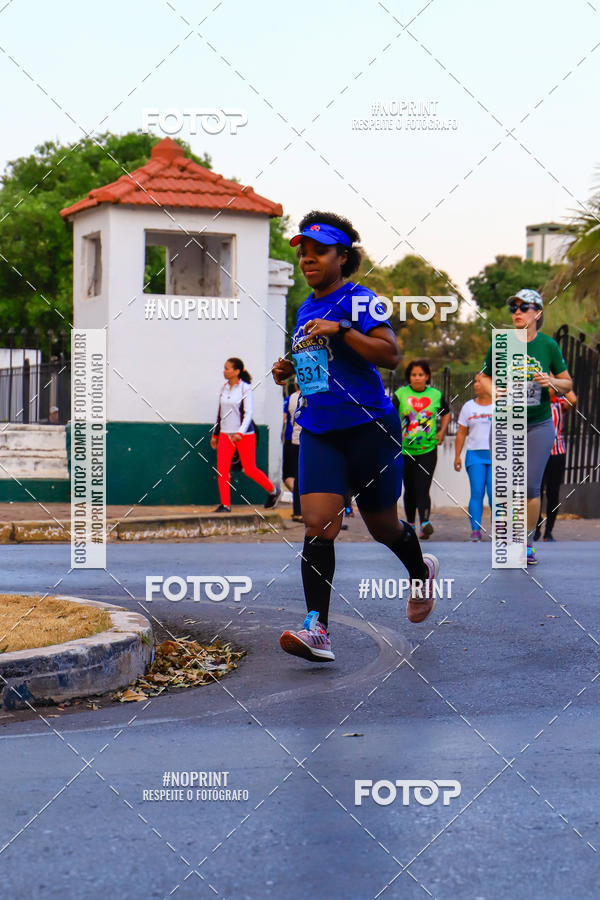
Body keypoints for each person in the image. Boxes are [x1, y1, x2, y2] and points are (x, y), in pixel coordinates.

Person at [271, 211, 439, 663]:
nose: (308, 259)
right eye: (303, 253)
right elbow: (319, 366)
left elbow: (390, 354)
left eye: (319, 252)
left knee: (383, 526)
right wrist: (290, 368)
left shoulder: (363, 301)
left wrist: (342, 329)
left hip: (370, 429)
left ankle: (420, 571)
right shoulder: (304, 308)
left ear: (342, 257)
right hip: (320, 429)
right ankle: (317, 629)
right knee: (318, 524)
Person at [479, 289, 573, 565]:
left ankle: (525, 543)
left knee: (530, 486)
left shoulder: (548, 345)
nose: (517, 312)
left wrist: (551, 381)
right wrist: (493, 391)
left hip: (539, 424)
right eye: (514, 308)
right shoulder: (501, 343)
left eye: (524, 307)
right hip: (505, 424)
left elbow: (568, 383)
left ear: (537, 313)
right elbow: (484, 376)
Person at [211, 357, 280, 513]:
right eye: (224, 368)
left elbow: (248, 413)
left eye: (227, 368)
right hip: (225, 434)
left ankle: (273, 491)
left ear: (236, 371)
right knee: (222, 470)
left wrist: (240, 432)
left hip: (245, 435)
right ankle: (225, 505)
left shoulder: (245, 388)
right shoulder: (224, 388)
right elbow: (220, 413)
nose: (224, 371)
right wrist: (215, 434)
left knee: (249, 469)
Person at [393, 360, 450, 539]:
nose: (417, 378)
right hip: (405, 451)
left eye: (421, 375)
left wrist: (442, 431)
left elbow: (446, 413)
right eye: (414, 375)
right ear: (409, 377)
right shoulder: (400, 394)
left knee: (423, 487)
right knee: (409, 488)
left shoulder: (435, 394)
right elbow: (390, 415)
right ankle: (410, 524)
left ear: (427, 377)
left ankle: (425, 523)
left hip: (428, 450)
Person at [534, 385, 577, 542]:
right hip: (537, 453)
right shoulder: (534, 402)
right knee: (535, 492)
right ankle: (535, 526)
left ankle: (549, 531)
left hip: (556, 453)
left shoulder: (559, 403)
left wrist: (558, 378)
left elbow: (573, 399)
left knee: (553, 492)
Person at [454, 373, 493, 541]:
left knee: (494, 494)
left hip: (497, 456)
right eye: (475, 382)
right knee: (477, 492)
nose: (476, 384)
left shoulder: (501, 404)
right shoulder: (468, 407)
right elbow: (461, 433)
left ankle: (499, 530)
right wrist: (457, 456)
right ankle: (475, 530)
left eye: (480, 381)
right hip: (475, 455)